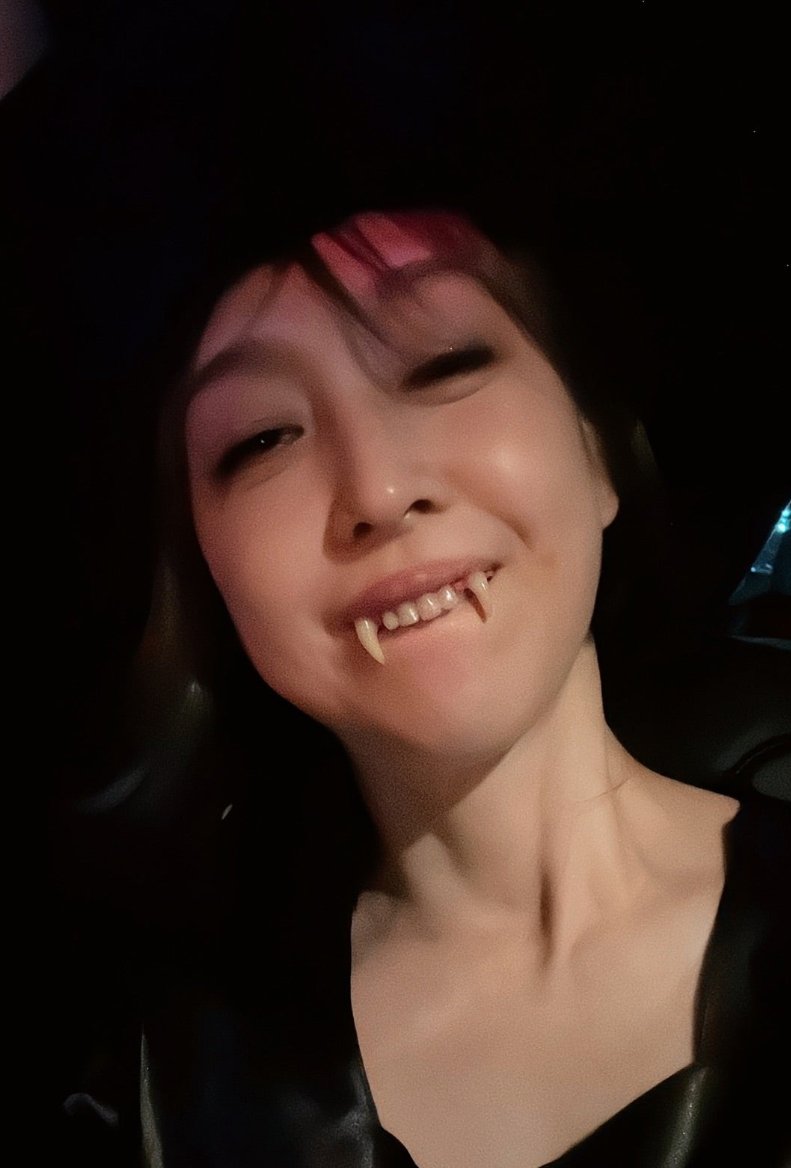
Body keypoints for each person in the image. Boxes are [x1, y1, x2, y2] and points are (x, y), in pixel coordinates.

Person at [64, 207, 790, 1167]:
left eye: (444, 365)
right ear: (206, 577)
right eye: (263, 439)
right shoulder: (158, 1085)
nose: (376, 491)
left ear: (599, 456)